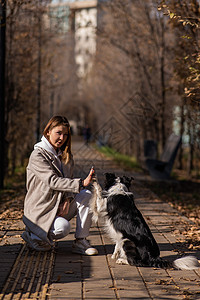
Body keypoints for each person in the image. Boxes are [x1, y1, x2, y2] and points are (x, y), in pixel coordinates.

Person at [21, 116, 98, 255]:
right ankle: (33, 234)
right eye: (58, 133)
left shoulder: (65, 156)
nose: (62, 138)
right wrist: (81, 183)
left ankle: (81, 241)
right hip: (41, 209)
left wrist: (68, 199)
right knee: (63, 228)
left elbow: (68, 180)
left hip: (58, 206)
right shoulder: (37, 155)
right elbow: (53, 181)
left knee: (86, 195)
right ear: (48, 132)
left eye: (66, 134)